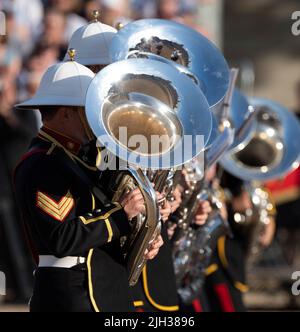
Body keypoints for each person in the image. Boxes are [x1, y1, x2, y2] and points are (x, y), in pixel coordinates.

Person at [13, 53, 163, 312]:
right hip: (72, 294)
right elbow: (62, 238)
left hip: (103, 290)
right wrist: (120, 213)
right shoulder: (43, 163)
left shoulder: (75, 159)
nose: (97, 119)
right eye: (88, 110)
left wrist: (143, 234)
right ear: (66, 114)